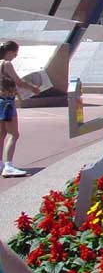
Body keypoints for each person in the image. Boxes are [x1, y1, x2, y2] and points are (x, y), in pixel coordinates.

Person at [0, 41, 42, 179]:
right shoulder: (6, 64)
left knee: (2, 133)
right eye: (15, 52)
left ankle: (1, 163)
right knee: (14, 134)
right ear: (10, 51)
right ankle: (8, 166)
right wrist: (33, 88)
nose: (16, 56)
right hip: (7, 102)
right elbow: (18, 81)